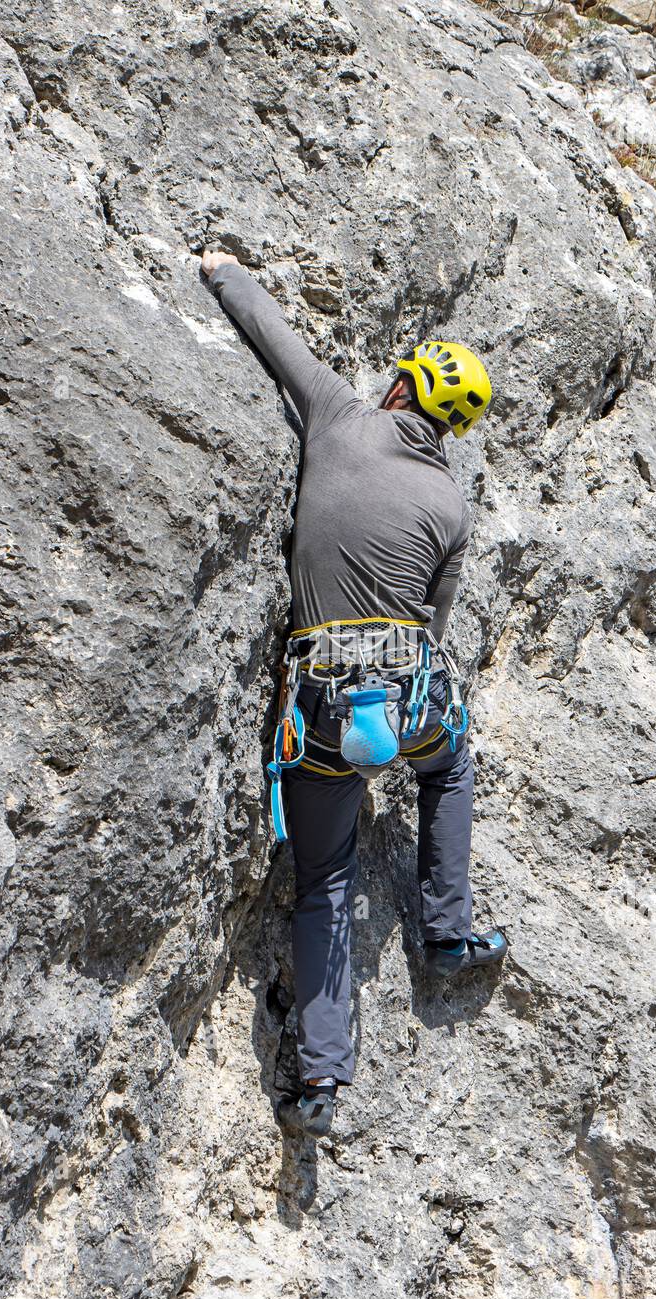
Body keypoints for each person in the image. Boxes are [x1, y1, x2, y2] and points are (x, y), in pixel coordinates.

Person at [202, 248, 506, 1137]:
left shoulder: (338, 418)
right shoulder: (449, 504)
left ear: (403, 389)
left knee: (324, 883)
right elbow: (436, 621)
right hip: (405, 703)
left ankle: (321, 1086)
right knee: (449, 769)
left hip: (323, 712)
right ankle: (447, 931)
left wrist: (222, 270)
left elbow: (271, 334)